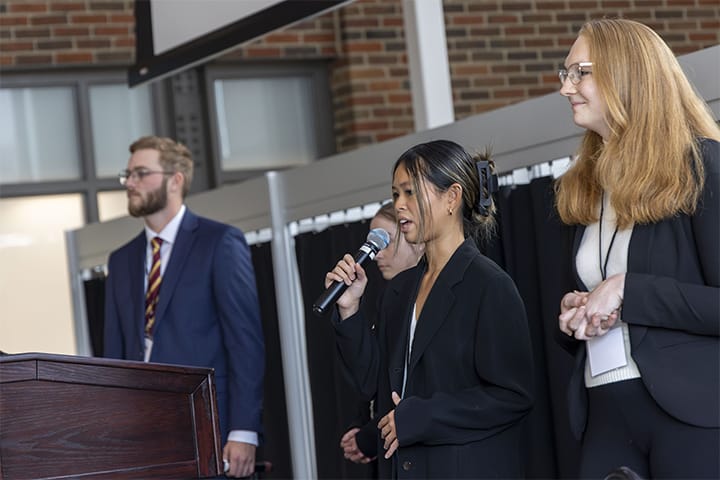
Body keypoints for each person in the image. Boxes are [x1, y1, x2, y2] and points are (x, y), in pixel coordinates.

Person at [555, 18, 720, 479]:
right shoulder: (583, 186)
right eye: (564, 73)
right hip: (604, 411)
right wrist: (577, 312)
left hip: (691, 415)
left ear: (626, 74)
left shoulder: (702, 165)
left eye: (579, 72)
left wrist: (628, 290)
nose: (567, 88)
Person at [326, 139, 534, 478]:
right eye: (396, 194)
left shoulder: (488, 285)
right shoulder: (399, 290)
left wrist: (423, 416)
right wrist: (350, 311)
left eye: (410, 192)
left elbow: (513, 396)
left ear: (452, 197)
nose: (400, 205)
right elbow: (370, 383)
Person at [103, 135, 265, 478]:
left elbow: (245, 343)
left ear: (175, 180)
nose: (130, 183)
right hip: (139, 434)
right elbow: (113, 358)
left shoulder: (219, 242)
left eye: (141, 173)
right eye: (127, 175)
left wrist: (243, 430)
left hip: (206, 426)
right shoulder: (120, 260)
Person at [339, 202, 424, 467]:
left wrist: (368, 435)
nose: (376, 255)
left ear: (417, 240)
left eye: (385, 242)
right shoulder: (385, 299)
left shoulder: (428, 301)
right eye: (373, 244)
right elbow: (371, 382)